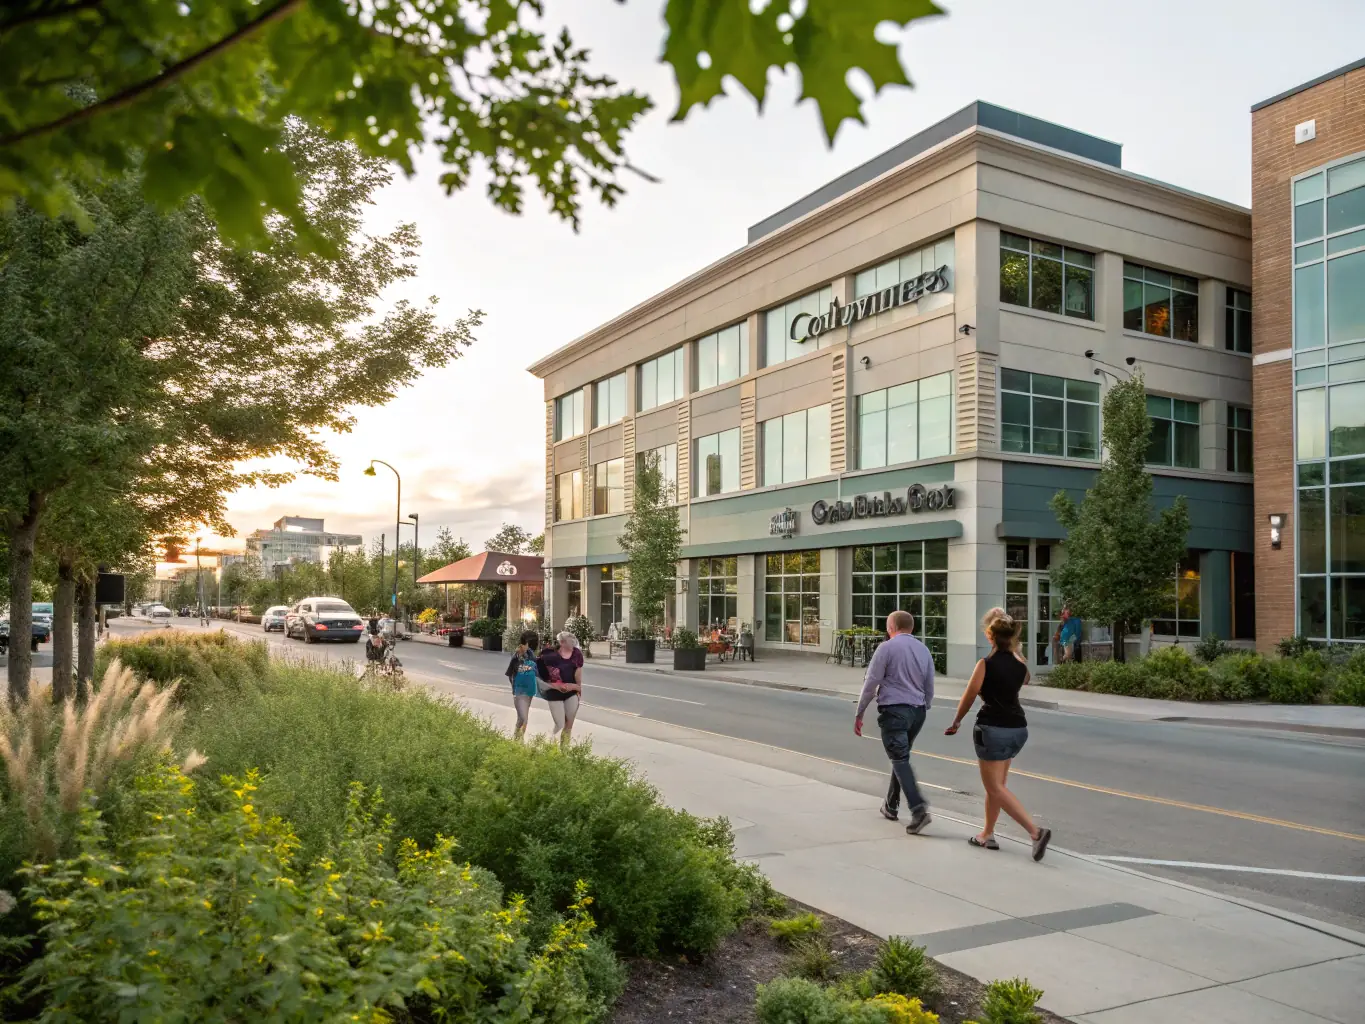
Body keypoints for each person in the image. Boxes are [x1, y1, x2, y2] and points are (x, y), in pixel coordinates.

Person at [945, 611, 1052, 861]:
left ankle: (1036, 832)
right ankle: (987, 834)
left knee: (994, 787)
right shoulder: (1020, 664)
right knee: (998, 787)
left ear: (989, 635)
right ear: (1013, 637)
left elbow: (970, 695)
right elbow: (1025, 678)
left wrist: (957, 720)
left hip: (993, 728)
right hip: (1018, 729)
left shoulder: (985, 664)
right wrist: (1015, 649)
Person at [854, 609, 935, 835]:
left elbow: (871, 682)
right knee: (901, 758)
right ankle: (891, 805)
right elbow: (929, 684)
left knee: (899, 758)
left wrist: (859, 712)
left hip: (895, 710)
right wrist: (924, 705)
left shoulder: (886, 648)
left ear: (891, 628)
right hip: (917, 711)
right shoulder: (923, 649)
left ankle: (918, 810)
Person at [538, 630, 584, 749]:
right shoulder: (550, 655)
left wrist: (578, 688)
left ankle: (564, 751)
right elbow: (542, 673)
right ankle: (550, 746)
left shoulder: (576, 654)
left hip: (571, 692)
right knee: (560, 723)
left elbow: (578, 672)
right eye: (571, 641)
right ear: (562, 642)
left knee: (569, 724)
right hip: (554, 692)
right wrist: (553, 684)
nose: (573, 644)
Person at [505, 630, 540, 741]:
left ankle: (519, 739)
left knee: (524, 717)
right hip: (519, 690)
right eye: (529, 645)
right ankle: (517, 739)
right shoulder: (516, 657)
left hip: (529, 690)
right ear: (523, 644)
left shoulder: (532, 656)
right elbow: (510, 674)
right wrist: (515, 687)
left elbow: (536, 672)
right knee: (522, 717)